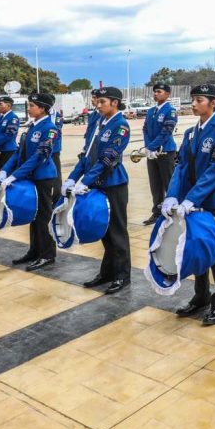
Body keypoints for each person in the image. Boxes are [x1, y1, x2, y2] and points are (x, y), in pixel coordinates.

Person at [163, 83, 215, 325]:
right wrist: (172, 195)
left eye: (199, 100)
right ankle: (200, 296)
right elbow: (181, 166)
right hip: (189, 203)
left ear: (213, 103)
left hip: (214, 201)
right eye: (192, 99)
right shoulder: (190, 133)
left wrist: (192, 198)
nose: (193, 104)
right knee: (196, 248)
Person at [63, 87, 131, 294]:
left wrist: (86, 181)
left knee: (117, 232)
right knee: (104, 230)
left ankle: (122, 276)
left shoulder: (121, 126)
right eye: (97, 101)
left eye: (102, 102)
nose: (97, 105)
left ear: (114, 103)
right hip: (97, 184)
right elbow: (86, 156)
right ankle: (107, 272)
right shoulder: (99, 123)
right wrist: (72, 178)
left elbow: (108, 158)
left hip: (114, 184)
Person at [0, 92, 58, 271]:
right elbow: (18, 153)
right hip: (31, 177)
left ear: (43, 108)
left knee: (43, 217)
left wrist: (16, 176)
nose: (28, 108)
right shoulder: (32, 126)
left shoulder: (49, 128)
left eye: (32, 105)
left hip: (43, 178)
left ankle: (47, 254)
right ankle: (34, 250)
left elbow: (38, 157)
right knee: (33, 215)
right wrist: (5, 171)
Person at [142, 83, 178, 226]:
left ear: (167, 94)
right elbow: (145, 129)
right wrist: (148, 147)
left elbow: (167, 130)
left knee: (168, 182)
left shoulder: (170, 110)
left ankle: (172, 211)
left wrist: (152, 146)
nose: (156, 94)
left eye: (159, 91)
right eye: (154, 91)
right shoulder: (151, 111)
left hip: (165, 151)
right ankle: (157, 212)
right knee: (155, 183)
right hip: (153, 152)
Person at [0, 96, 20, 173]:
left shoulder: (13, 118)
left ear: (8, 105)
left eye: (0, 104)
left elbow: (9, 135)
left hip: (8, 151)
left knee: (8, 174)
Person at [49, 96, 64, 202]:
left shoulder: (56, 115)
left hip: (53, 149)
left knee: (56, 173)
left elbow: (57, 130)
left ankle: (57, 195)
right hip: (42, 150)